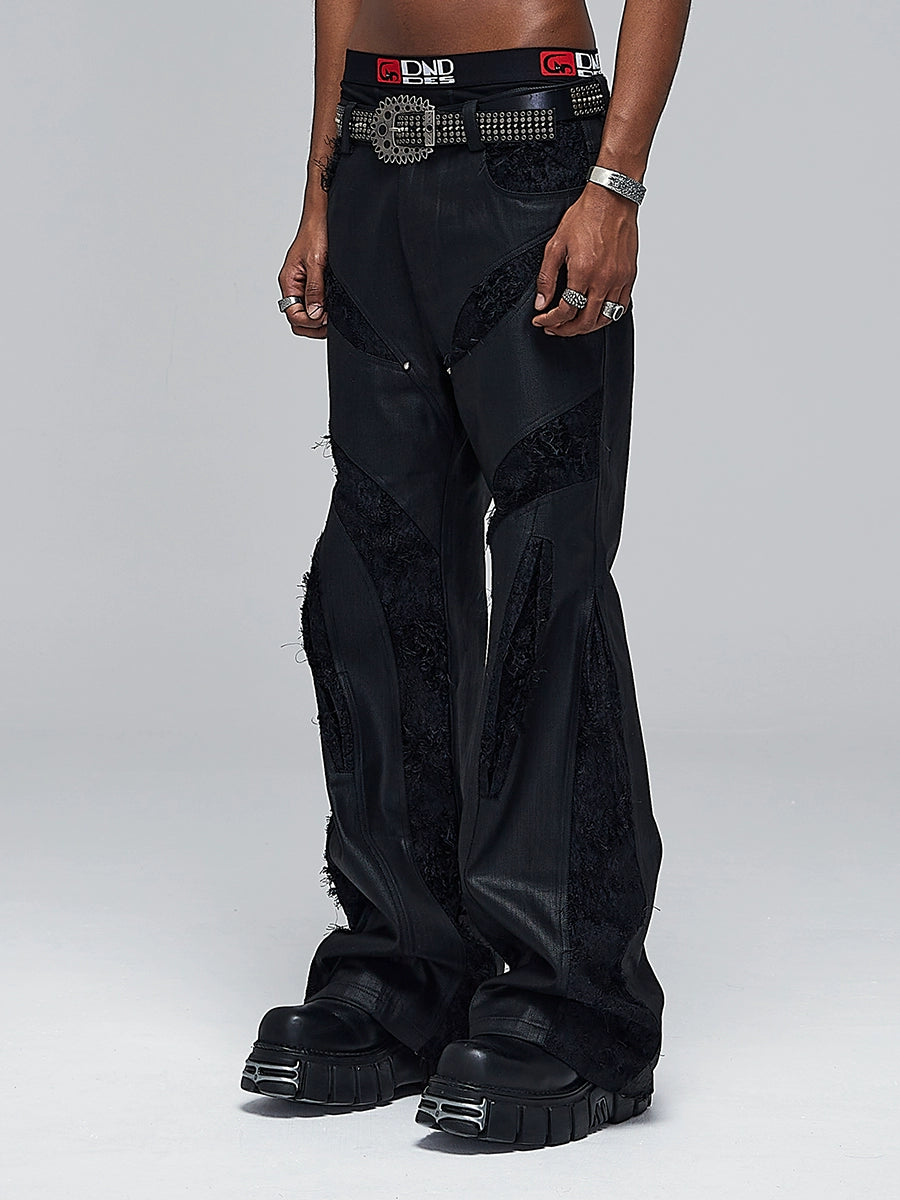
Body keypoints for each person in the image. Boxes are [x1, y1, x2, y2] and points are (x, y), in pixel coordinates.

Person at [241, 0, 691, 1147]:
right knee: (378, 571)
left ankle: (577, 1006)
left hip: (531, 147)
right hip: (375, 151)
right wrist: (321, 186)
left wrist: (616, 181)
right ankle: (405, 967)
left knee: (548, 573)